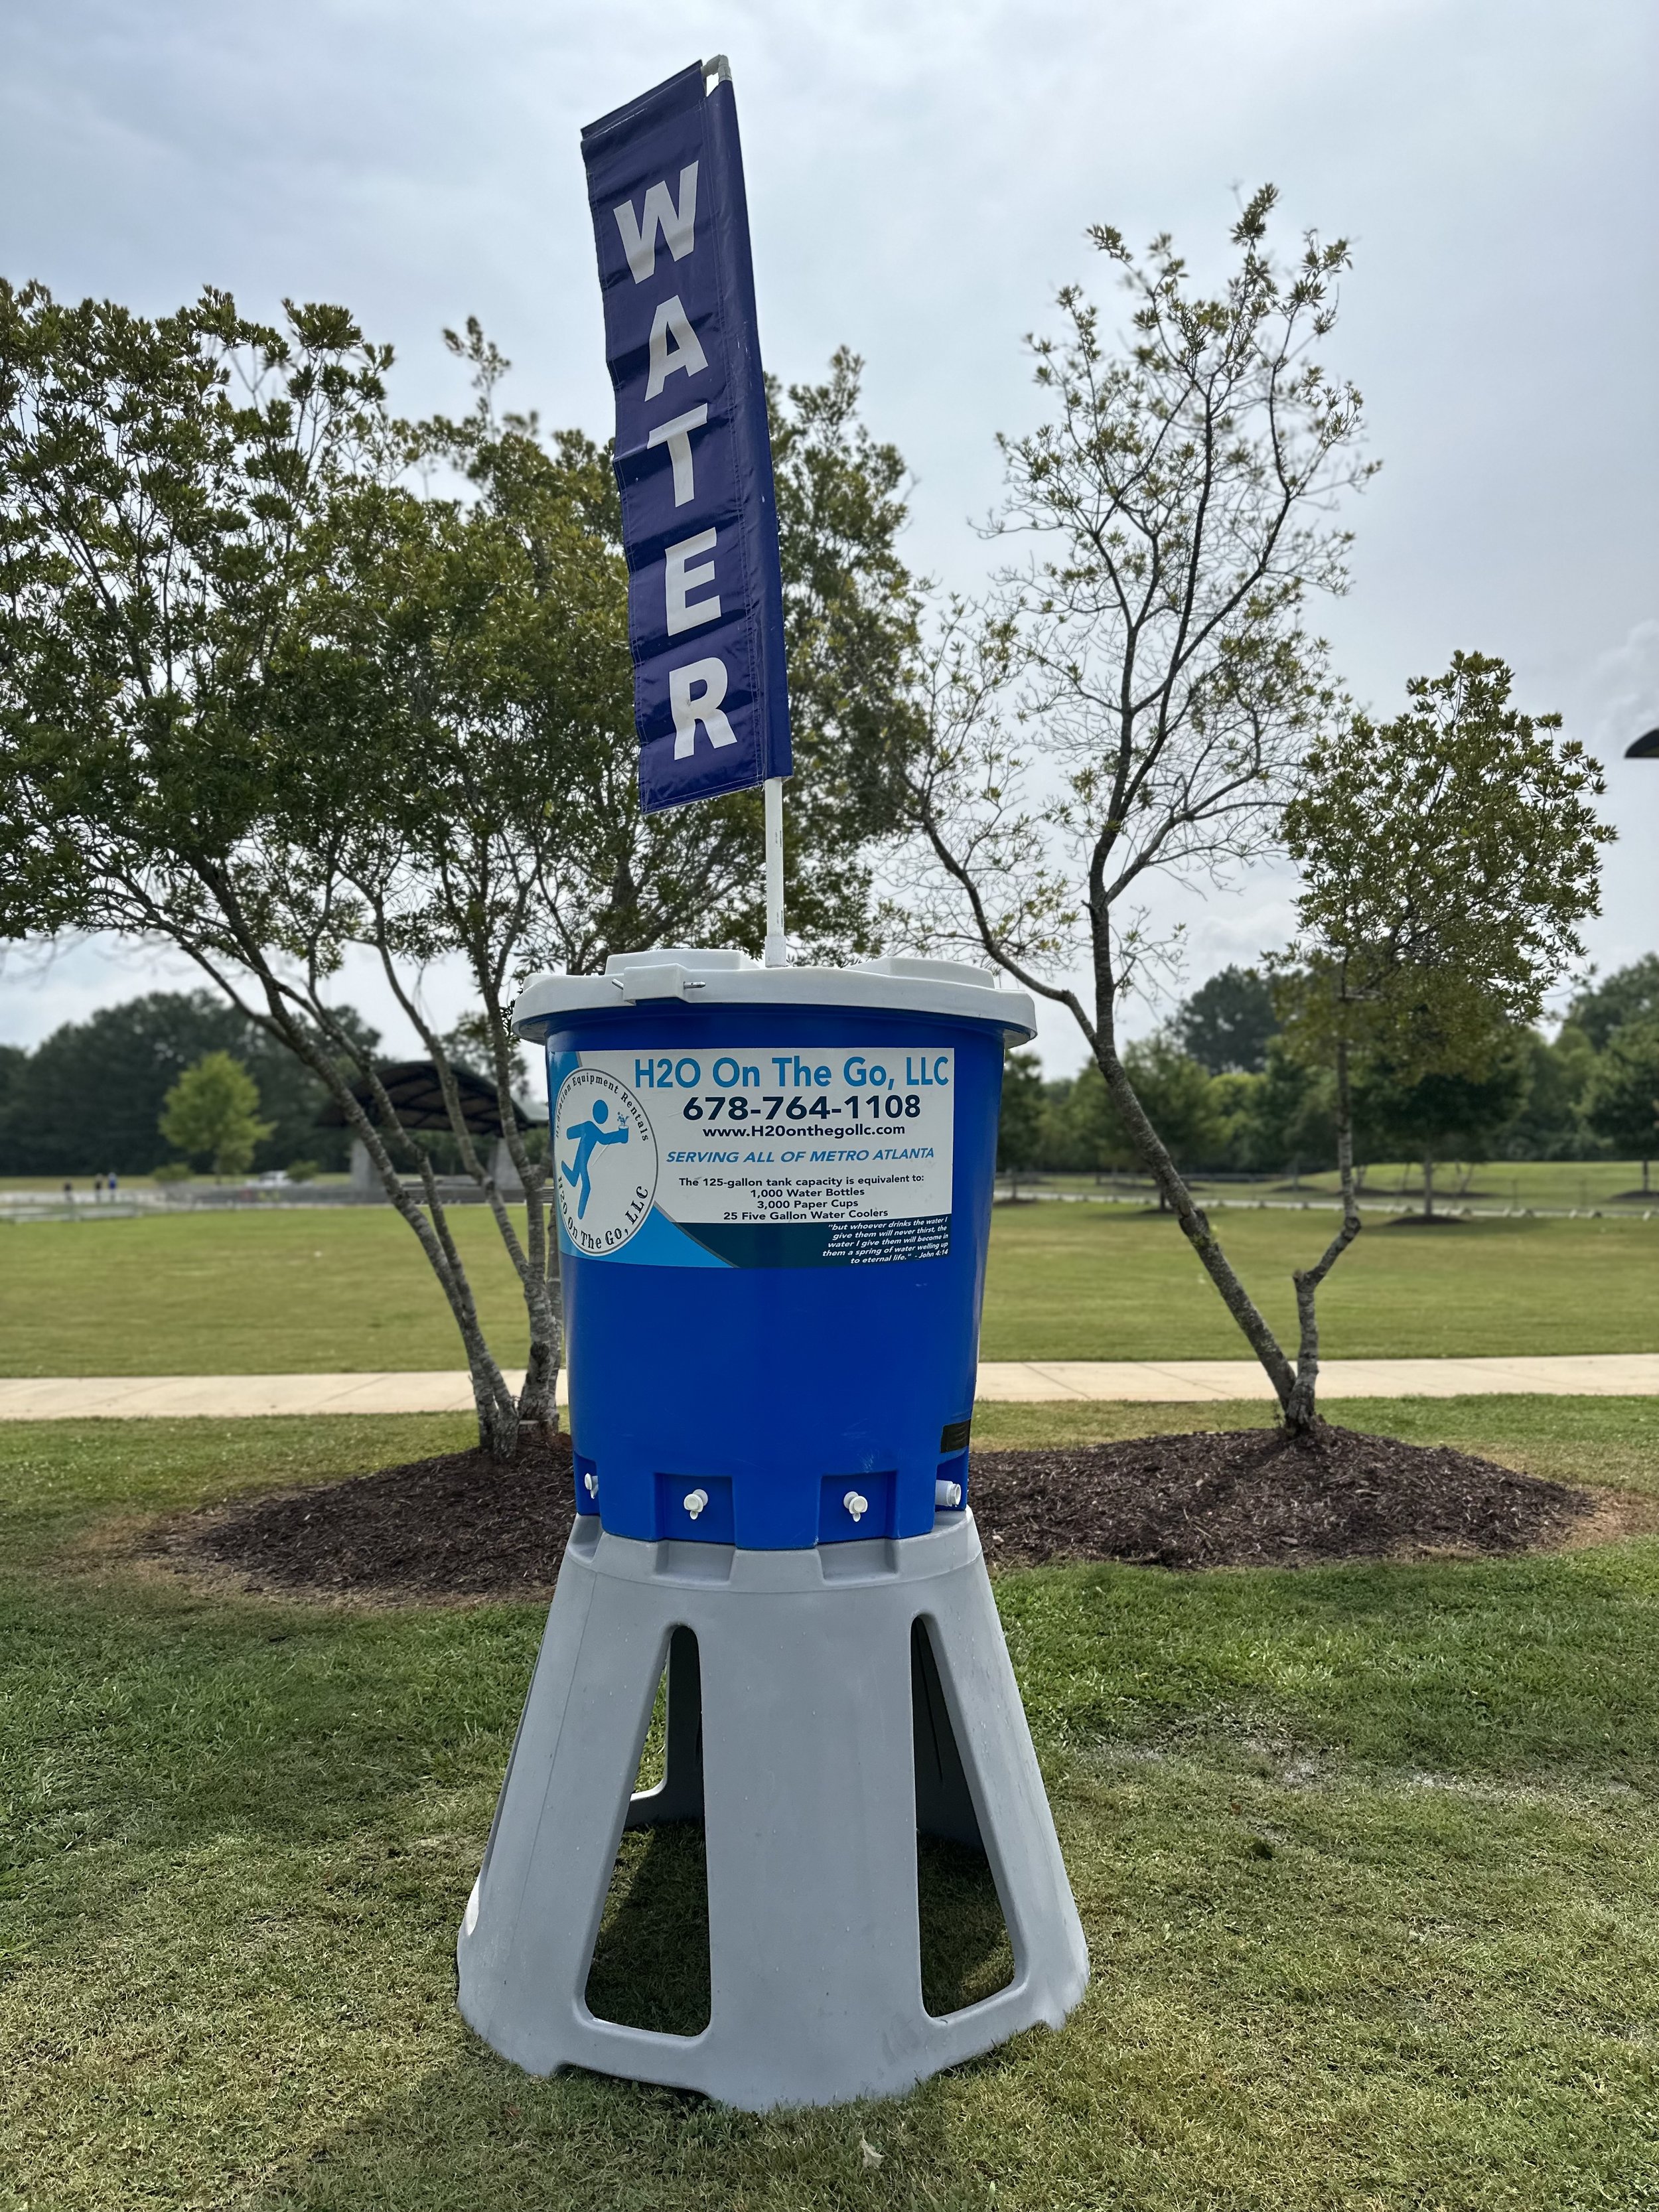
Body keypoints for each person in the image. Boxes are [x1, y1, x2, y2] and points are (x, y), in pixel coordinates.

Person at [560, 1096, 629, 1220]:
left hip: (582, 1158)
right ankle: (580, 1217)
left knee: (577, 1176)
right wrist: (621, 1134)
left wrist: (622, 1134)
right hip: (582, 1158)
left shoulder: (590, 1127)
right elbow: (603, 1139)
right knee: (586, 1185)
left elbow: (603, 1139)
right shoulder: (590, 1126)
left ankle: (567, 1171)